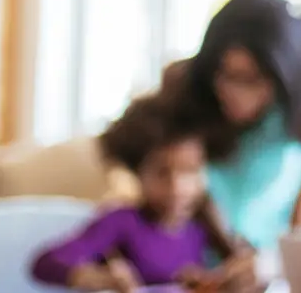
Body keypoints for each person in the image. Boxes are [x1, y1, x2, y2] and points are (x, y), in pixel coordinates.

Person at [161, 0, 301, 253]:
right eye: (224, 74)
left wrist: (267, 264)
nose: (234, 91)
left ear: (281, 78)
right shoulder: (186, 88)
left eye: (251, 79)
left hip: (267, 259)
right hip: (196, 252)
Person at [31, 94, 257, 293]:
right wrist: (100, 278)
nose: (178, 187)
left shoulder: (203, 222)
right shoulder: (121, 221)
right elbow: (45, 264)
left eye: (190, 171)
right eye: (162, 173)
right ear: (138, 173)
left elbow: (241, 258)